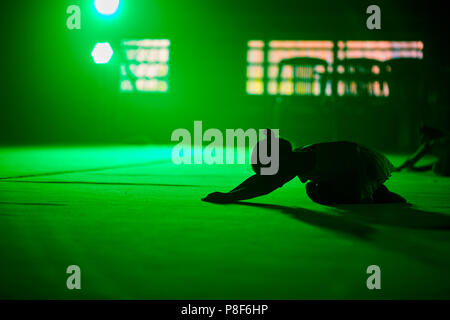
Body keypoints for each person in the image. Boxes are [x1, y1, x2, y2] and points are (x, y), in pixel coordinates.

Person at [202, 130, 405, 205]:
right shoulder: (293, 157)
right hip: (363, 161)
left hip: (367, 167)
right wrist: (230, 193)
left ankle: (377, 192)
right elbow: (260, 180)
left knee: (318, 193)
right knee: (317, 189)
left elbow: (264, 185)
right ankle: (375, 190)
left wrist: (229, 197)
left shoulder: (296, 163)